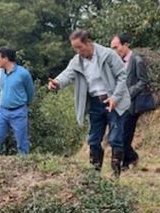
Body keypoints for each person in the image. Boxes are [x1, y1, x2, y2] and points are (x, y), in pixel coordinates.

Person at [48, 30, 130, 177]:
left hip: (113, 101)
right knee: (93, 139)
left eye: (79, 47)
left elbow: (122, 76)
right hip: (95, 103)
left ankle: (115, 175)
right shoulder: (77, 61)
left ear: (88, 43)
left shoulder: (108, 54)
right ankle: (94, 175)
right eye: (75, 48)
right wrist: (57, 82)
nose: (78, 51)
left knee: (115, 138)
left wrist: (115, 98)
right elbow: (67, 73)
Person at [110, 34, 154, 169]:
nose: (114, 51)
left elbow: (143, 81)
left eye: (116, 47)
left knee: (125, 135)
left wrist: (129, 93)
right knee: (118, 135)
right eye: (112, 48)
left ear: (126, 45)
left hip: (132, 105)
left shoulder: (137, 60)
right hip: (119, 104)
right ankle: (131, 158)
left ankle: (126, 162)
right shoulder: (116, 62)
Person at [0, 47, 35, 155]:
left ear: (6, 59)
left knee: (22, 142)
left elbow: (30, 92)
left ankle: (24, 161)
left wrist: (23, 105)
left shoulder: (23, 74)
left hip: (18, 111)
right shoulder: (1, 72)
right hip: (2, 110)